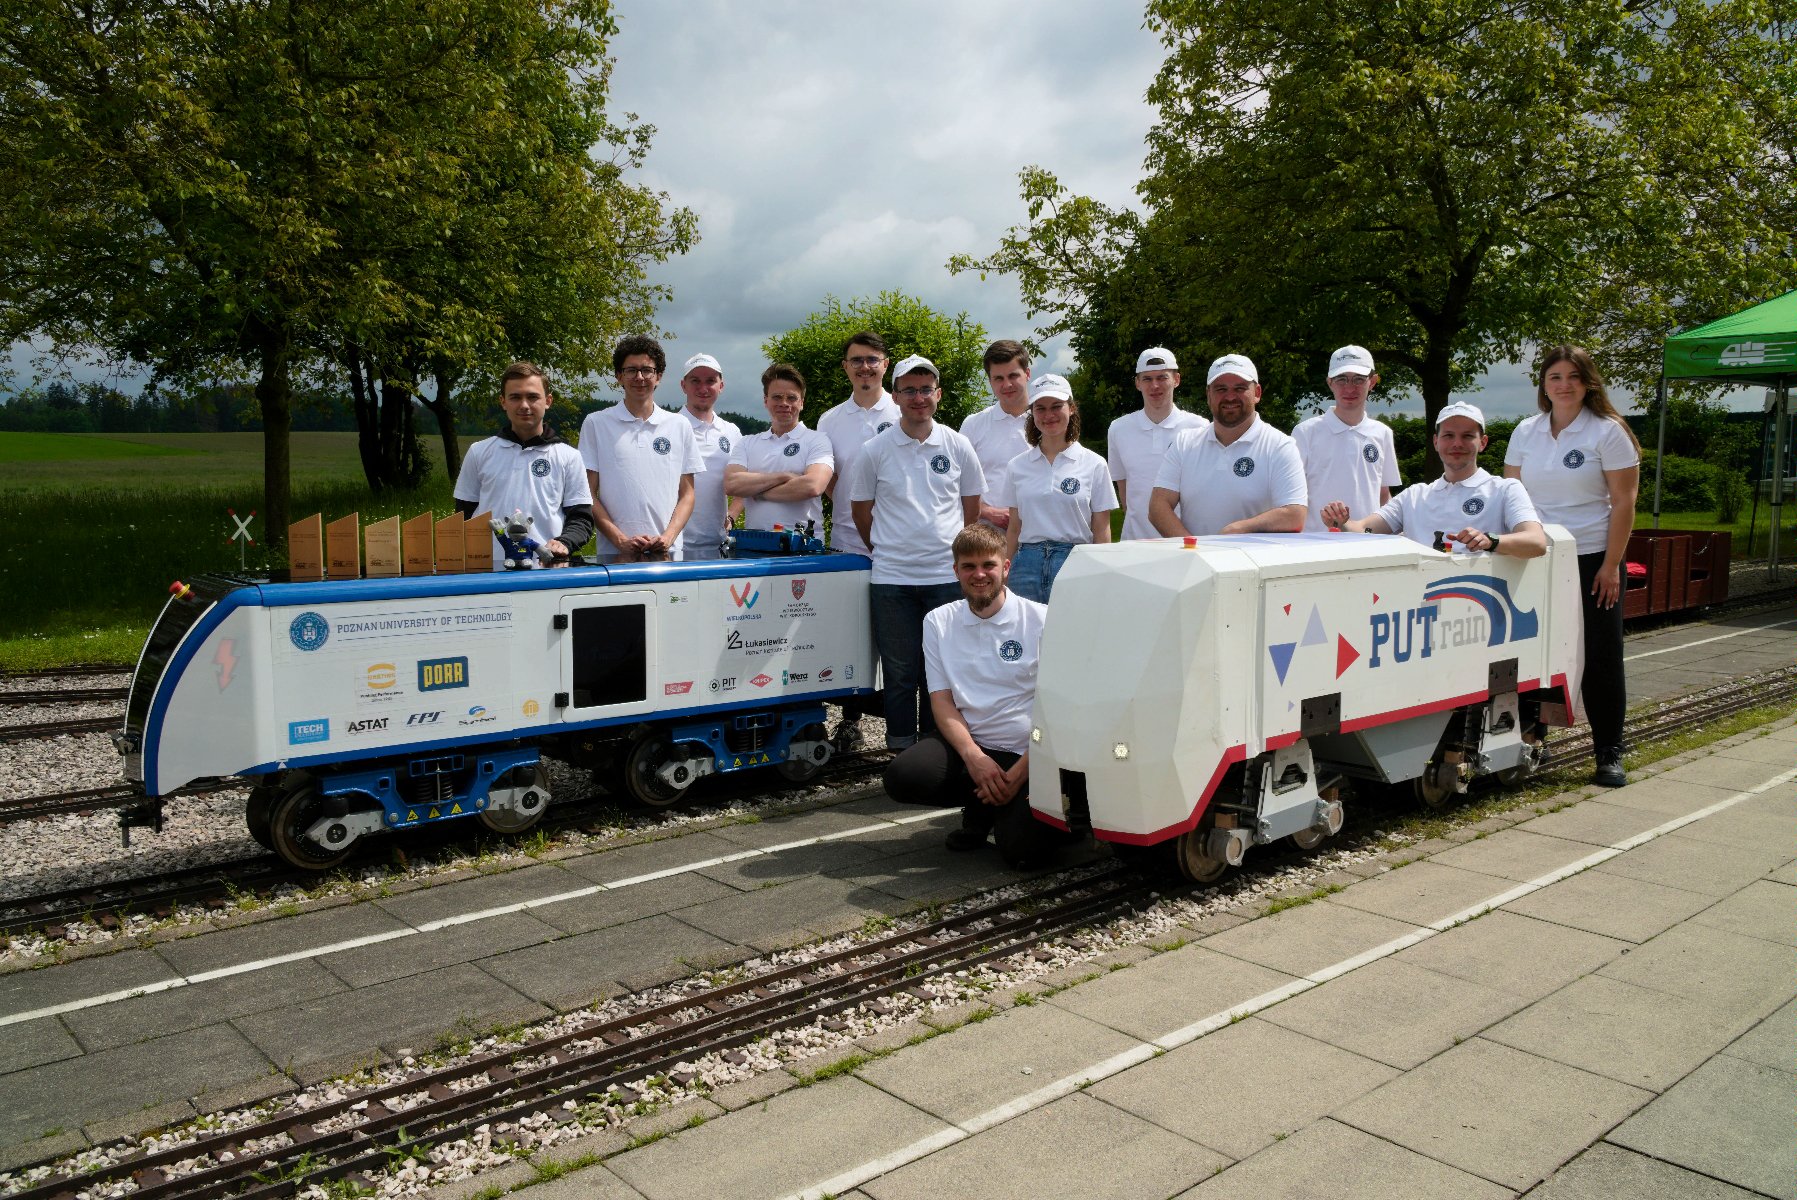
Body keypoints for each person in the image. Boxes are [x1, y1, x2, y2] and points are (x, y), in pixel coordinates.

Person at [1504, 345, 1641, 788]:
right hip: (1537, 558)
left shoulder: (1608, 432)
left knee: (1601, 658)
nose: (1563, 385)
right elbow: (1512, 497)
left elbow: (1624, 502)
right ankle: (1528, 743)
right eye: (1554, 377)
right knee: (1531, 654)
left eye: (1572, 376)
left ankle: (1609, 752)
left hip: (1592, 561)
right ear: (1544, 385)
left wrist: (1611, 565)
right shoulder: (1526, 431)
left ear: (1588, 382)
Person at [883, 522, 1052, 867]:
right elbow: (941, 702)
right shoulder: (937, 622)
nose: (979, 574)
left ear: (1005, 567)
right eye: (969, 566)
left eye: (988, 565)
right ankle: (982, 804)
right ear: (955, 570)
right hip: (972, 748)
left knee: (1024, 857)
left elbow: (1059, 711)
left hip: (1029, 752)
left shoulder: (1042, 620)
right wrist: (974, 758)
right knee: (903, 777)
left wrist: (1021, 772)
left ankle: (1014, 807)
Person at [848, 354, 985, 749]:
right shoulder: (875, 450)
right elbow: (861, 511)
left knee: (941, 671)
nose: (918, 397)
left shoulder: (958, 446)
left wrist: (956, 554)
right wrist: (888, 548)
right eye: (909, 389)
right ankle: (900, 746)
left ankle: (934, 748)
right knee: (900, 671)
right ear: (896, 395)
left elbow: (971, 507)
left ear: (938, 394)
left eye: (926, 389)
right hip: (892, 580)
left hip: (945, 578)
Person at [1323, 401, 1546, 557]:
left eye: (1467, 436)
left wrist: (1491, 541)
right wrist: (1341, 522)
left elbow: (1536, 542)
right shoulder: (1415, 495)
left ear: (1483, 442)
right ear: (1436, 441)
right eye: (1448, 435)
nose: (1457, 443)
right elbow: (1364, 530)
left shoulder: (1506, 489)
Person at [453, 361, 593, 567]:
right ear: (503, 402)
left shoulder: (569, 456)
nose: (524, 405)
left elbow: (581, 519)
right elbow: (462, 516)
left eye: (533, 396)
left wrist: (564, 542)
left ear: (548, 401)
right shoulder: (479, 452)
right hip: (488, 571)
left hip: (547, 570)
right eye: (515, 397)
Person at [1150, 353, 1307, 536]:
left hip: (1256, 562)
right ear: (1208, 395)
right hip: (1197, 560)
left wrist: (1238, 529)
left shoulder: (1280, 445)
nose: (1230, 397)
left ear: (1257, 393)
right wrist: (1194, 550)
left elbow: (1295, 514)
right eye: (1221, 389)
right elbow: (1158, 506)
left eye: (1240, 388)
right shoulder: (1184, 443)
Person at [579, 335, 704, 561]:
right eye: (631, 370)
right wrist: (619, 540)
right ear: (619, 376)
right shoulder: (596, 423)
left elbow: (687, 494)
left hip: (668, 553)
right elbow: (588, 493)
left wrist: (668, 538)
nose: (639, 377)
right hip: (614, 554)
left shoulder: (679, 425)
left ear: (658, 377)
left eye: (647, 370)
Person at [993, 373, 1117, 602]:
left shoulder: (1095, 464)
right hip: (1025, 565)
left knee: (1073, 634)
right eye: (1040, 408)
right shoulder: (1017, 466)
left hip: (1076, 563)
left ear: (1071, 408)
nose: (1048, 415)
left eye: (1056, 406)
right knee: (1028, 635)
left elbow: (1101, 529)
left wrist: (1103, 573)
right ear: (1032, 413)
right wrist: (1004, 572)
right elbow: (1014, 527)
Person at [1293, 345, 1402, 531]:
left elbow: (1384, 495)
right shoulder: (1305, 432)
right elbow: (1291, 495)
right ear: (1329, 383)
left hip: (1367, 545)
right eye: (1341, 379)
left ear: (1372, 382)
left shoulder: (1382, 433)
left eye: (1358, 379)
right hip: (1314, 545)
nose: (1349, 388)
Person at [1108, 347, 1208, 540]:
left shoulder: (1200, 427)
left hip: (1185, 543)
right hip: (1135, 544)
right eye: (1147, 379)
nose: (1155, 385)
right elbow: (1125, 496)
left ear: (1176, 380)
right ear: (1137, 383)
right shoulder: (1118, 429)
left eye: (1162, 377)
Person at [816, 331, 900, 556]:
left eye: (872, 359)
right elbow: (828, 477)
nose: (865, 367)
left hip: (899, 534)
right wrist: (850, 501)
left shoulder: (904, 414)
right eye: (856, 360)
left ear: (886, 364)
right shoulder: (828, 420)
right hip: (845, 537)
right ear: (845, 366)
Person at [725, 364, 835, 534]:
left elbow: (813, 486)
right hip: (754, 547)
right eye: (777, 397)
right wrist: (784, 476)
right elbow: (732, 484)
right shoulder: (747, 443)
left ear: (802, 403)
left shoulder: (818, 440)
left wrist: (758, 492)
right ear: (765, 400)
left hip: (803, 549)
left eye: (791, 398)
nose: (784, 403)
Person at [675, 353, 743, 560]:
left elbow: (743, 485)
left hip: (718, 547)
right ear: (683, 385)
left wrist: (732, 515)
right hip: (673, 546)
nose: (703, 388)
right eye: (695, 381)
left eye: (710, 381)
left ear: (721, 386)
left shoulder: (731, 432)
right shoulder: (668, 427)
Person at [960, 340, 1033, 527]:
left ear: (1027, 374)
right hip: (989, 538)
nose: (1007, 384)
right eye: (998, 378)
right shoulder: (973, 425)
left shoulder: (1048, 422)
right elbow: (955, 484)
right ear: (990, 380)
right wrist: (988, 512)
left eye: (1013, 376)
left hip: (1040, 535)